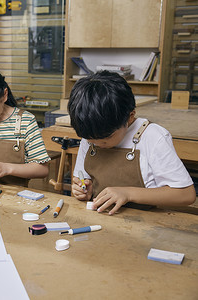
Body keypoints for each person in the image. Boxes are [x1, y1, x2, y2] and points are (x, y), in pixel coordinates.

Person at [68, 70, 195, 215]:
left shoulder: (153, 137)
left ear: (130, 116)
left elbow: (186, 194)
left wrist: (128, 193)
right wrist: (82, 190)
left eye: (106, 139)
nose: (98, 144)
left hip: (148, 223)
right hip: (102, 218)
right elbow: (81, 179)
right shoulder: (92, 132)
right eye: (92, 141)